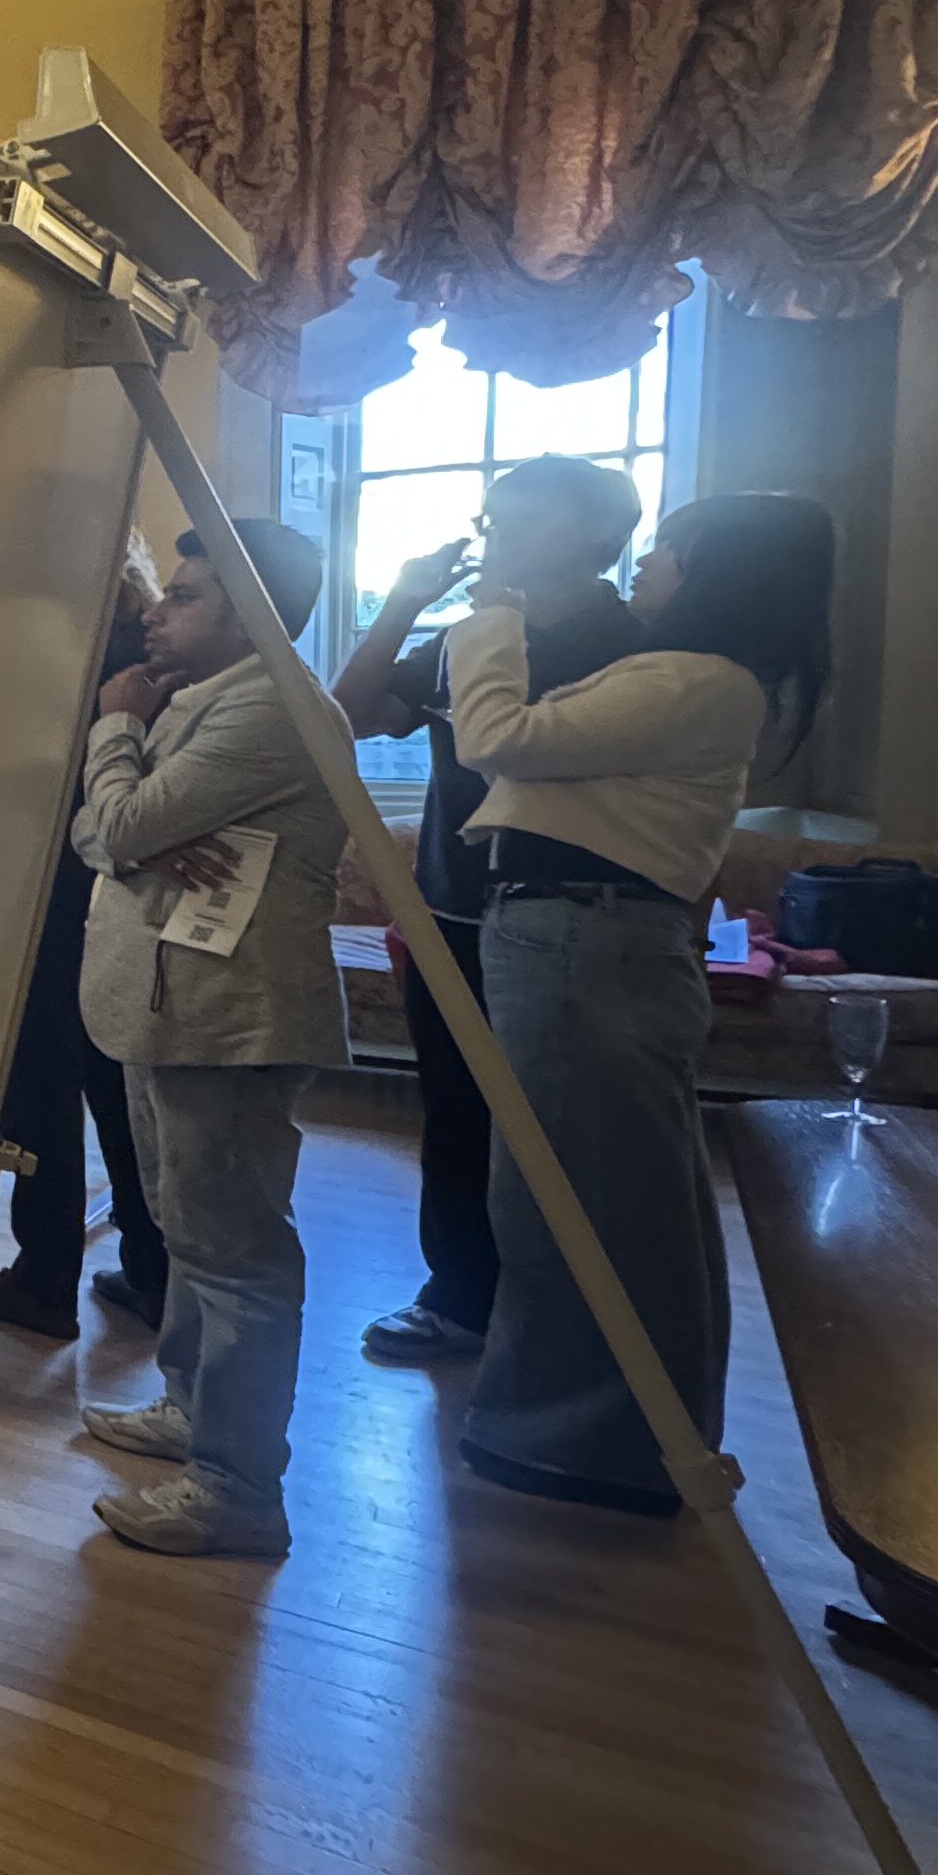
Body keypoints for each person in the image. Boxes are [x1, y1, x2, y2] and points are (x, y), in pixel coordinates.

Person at [453, 493, 833, 1514]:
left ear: (718, 573)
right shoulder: (685, 674)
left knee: (583, 1193)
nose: (648, 563)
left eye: (671, 549)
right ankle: (608, 1431)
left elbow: (495, 735)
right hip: (581, 935)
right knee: (597, 1185)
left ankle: (587, 1441)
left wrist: (491, 618)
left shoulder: (698, 679)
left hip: (589, 939)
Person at [69, 519, 345, 1561]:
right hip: (168, 1009)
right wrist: (134, 822)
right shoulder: (197, 699)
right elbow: (96, 834)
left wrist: (114, 732)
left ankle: (237, 1487)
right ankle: (192, 1411)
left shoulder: (273, 706)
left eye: (185, 596)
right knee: (189, 1232)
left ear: (255, 613)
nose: (156, 610)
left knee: (235, 1254)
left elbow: (119, 825)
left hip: (228, 1019)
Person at [332, 455, 647, 1364]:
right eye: (492, 514)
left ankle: (571, 1316)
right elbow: (345, 715)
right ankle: (461, 1298)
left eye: (524, 515)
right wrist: (404, 600)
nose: (496, 530)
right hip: (450, 911)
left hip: (563, 913)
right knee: (456, 1112)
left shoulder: (634, 648)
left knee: (561, 1123)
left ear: (599, 535)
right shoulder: (462, 639)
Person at [0, 554, 172, 1341]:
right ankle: (152, 1270)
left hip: (48, 891)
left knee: (40, 1090)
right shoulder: (143, 649)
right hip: (117, 899)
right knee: (116, 1087)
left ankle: (44, 1276)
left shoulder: (50, 653)